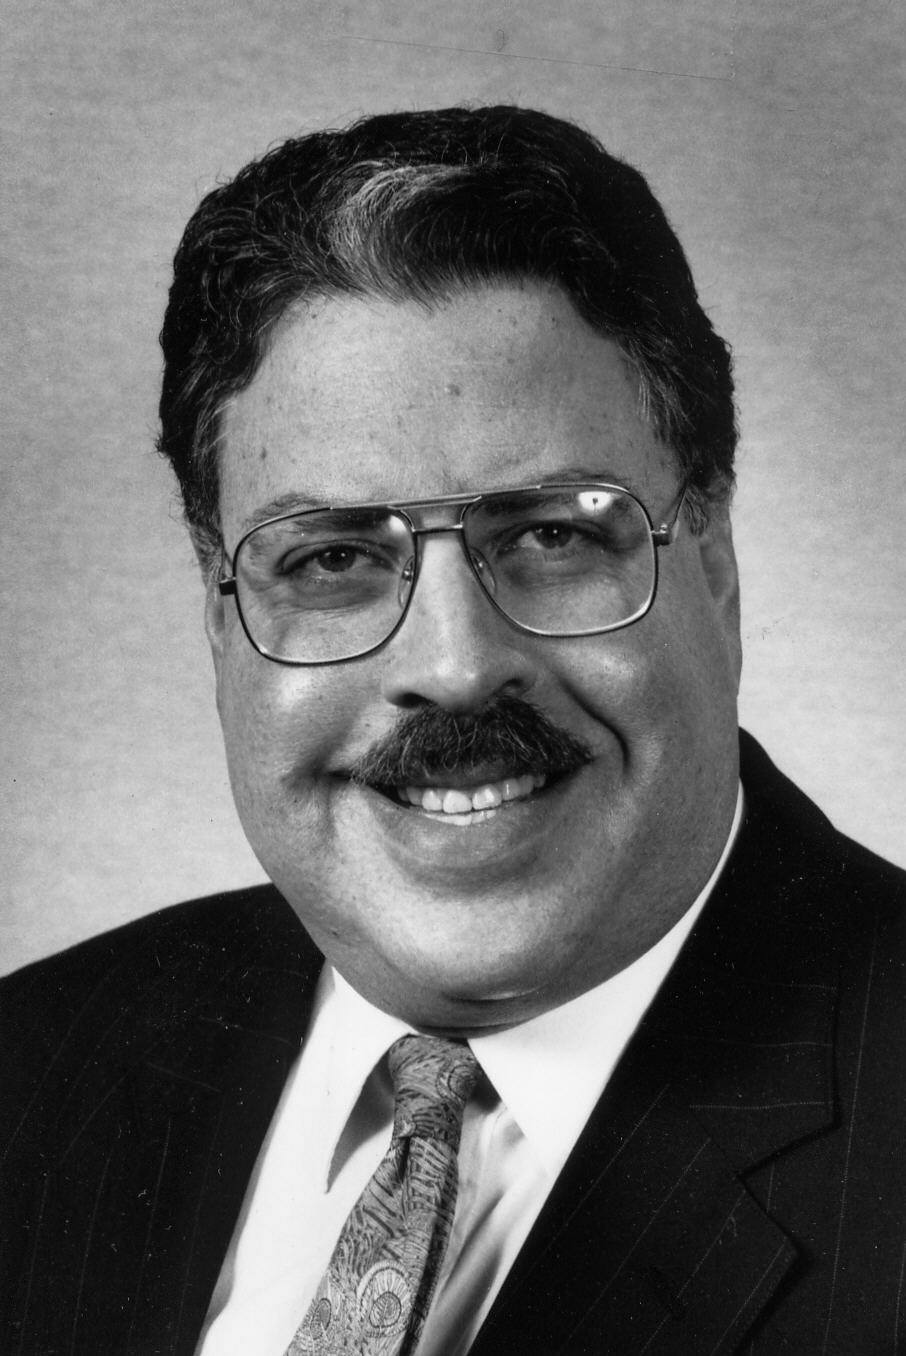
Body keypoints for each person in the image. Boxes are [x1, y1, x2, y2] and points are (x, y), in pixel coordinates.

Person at [2, 105, 903, 1356]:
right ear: (219, 623)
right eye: (329, 559)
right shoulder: (34, 1075)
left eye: (554, 534)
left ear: (717, 567)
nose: (455, 664)